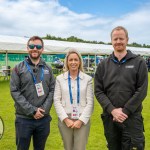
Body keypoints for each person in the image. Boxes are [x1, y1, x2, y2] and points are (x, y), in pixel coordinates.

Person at [94, 26, 148, 150]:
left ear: (127, 40)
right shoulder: (103, 65)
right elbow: (98, 90)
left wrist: (125, 111)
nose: (118, 41)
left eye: (121, 38)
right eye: (115, 39)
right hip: (110, 118)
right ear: (111, 41)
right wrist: (112, 110)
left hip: (132, 118)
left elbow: (142, 90)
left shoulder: (139, 62)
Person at [10, 36, 55, 150]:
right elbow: (15, 91)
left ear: (42, 49)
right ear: (27, 48)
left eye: (38, 46)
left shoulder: (48, 68)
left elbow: (52, 90)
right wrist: (33, 110)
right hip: (24, 119)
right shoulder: (18, 68)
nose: (35, 48)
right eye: (32, 46)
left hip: (43, 119)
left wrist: (42, 110)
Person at [54, 49, 94, 150]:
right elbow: (56, 100)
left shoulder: (88, 79)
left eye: (76, 60)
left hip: (82, 119)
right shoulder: (59, 79)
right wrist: (65, 119)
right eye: (70, 60)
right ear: (66, 62)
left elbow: (90, 102)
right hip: (65, 120)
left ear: (79, 61)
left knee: (80, 148)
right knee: (68, 147)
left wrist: (81, 120)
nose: (73, 62)